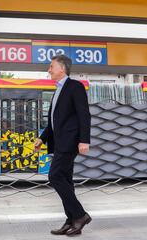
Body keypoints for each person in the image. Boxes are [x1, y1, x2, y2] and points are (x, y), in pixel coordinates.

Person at [34, 54, 91, 236]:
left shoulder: (75, 87)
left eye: (51, 66)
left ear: (62, 68)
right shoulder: (57, 90)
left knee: (55, 175)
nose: (48, 70)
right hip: (59, 143)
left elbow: (84, 115)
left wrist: (84, 140)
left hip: (70, 142)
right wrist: (42, 138)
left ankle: (80, 215)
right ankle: (72, 220)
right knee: (65, 180)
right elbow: (54, 121)